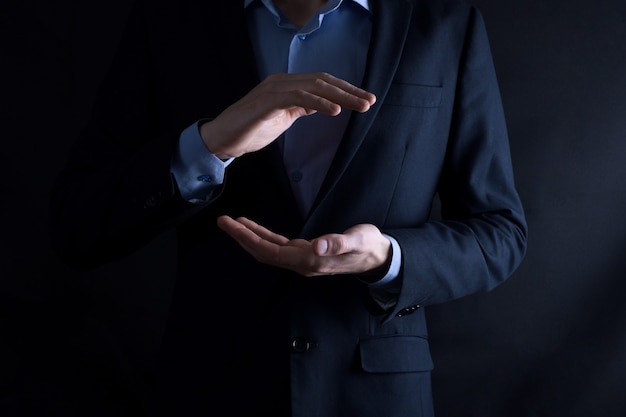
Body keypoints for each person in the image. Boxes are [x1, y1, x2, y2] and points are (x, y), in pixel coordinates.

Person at [50, 0, 528, 416]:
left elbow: (500, 234)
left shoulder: (446, 24)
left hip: (376, 397)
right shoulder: (169, 19)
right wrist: (210, 143)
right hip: (211, 391)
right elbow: (78, 225)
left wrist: (385, 257)